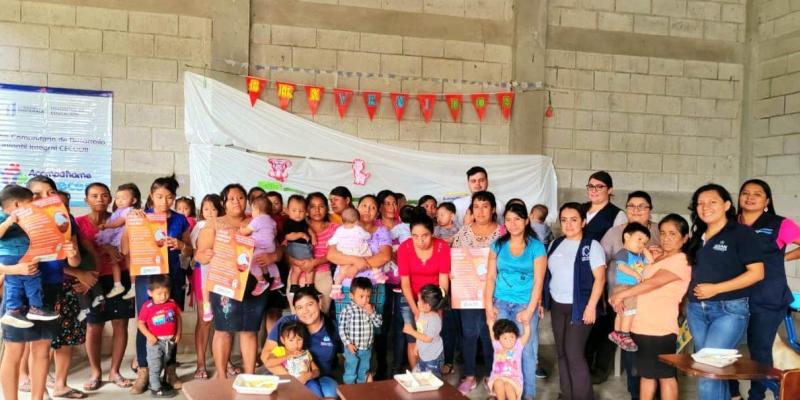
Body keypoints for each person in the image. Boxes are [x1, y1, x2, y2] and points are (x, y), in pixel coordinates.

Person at [686, 183, 764, 399]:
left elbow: (757, 273)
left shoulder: (741, 233)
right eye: (700, 203)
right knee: (713, 372)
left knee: (707, 372)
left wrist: (716, 289)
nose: (705, 207)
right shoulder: (698, 235)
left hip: (728, 311)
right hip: (696, 311)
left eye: (712, 202)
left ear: (727, 205)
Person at [195, 184, 277, 379]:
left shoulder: (258, 220)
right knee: (223, 330)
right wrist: (205, 254)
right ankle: (222, 378)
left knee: (250, 330)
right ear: (224, 202)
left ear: (247, 201)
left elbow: (277, 248)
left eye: (240, 197)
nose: (236, 202)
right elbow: (199, 254)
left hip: (254, 283)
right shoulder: (213, 224)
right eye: (231, 198)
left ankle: (249, 376)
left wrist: (272, 257)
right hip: (224, 282)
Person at [729, 179, 800, 400]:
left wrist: (782, 257)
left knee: (759, 350)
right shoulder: (730, 223)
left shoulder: (780, 224)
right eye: (745, 193)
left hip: (768, 296)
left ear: (767, 200)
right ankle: (733, 394)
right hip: (734, 295)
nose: (750, 197)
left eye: (757, 194)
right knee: (725, 347)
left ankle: (756, 395)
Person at [609, 214, 692, 400]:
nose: (666, 238)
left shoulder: (681, 260)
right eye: (662, 233)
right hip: (641, 325)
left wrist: (621, 294)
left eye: (672, 233)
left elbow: (652, 283)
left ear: (684, 238)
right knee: (646, 374)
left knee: (666, 376)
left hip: (659, 328)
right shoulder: (659, 258)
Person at [122, 175, 192, 393]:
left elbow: (191, 252)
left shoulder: (180, 220)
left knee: (171, 320)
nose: (164, 201)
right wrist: (130, 223)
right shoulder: (140, 217)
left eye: (169, 197)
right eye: (160, 196)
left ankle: (170, 370)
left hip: (173, 278)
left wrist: (180, 244)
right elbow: (124, 250)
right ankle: (144, 371)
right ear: (151, 195)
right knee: (146, 322)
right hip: (147, 279)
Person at [599, 190, 660, 396]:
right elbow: (603, 266)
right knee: (631, 348)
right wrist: (611, 294)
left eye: (642, 206)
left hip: (654, 302)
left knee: (654, 351)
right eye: (631, 206)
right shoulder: (614, 233)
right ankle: (636, 393)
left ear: (650, 210)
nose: (636, 210)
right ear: (626, 209)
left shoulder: (660, 232)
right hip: (623, 297)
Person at [544, 202, 607, 400]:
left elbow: (600, 278)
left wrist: (590, 307)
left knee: (574, 354)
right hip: (557, 304)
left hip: (579, 306)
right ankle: (567, 394)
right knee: (561, 352)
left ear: (583, 222)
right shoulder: (555, 243)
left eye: (574, 220)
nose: (568, 224)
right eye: (564, 220)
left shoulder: (592, 246)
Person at [76, 182, 134, 395]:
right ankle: (95, 372)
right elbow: (76, 252)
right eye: (94, 196)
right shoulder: (78, 223)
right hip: (92, 281)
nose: (100, 199)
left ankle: (115, 372)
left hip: (119, 278)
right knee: (94, 326)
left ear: (110, 199)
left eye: (104, 195)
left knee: (121, 324)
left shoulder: (119, 219)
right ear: (86, 200)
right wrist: (104, 249)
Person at [484, 203, 547, 399]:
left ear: (526, 220)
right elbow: (491, 277)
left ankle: (527, 395)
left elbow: (538, 281)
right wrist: (488, 306)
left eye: (517, 219)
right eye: (509, 219)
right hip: (500, 302)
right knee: (501, 348)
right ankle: (501, 390)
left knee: (526, 351)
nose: (513, 224)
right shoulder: (498, 244)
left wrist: (530, 310)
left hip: (524, 305)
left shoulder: (537, 247)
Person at [327, 194, 392, 379]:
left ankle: (369, 375)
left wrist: (355, 266)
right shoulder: (343, 228)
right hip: (347, 287)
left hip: (373, 286)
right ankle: (350, 375)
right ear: (357, 208)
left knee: (372, 328)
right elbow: (332, 255)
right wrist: (356, 260)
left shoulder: (381, 231)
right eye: (364, 205)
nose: (368, 210)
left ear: (377, 211)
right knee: (348, 328)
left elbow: (384, 256)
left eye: (372, 207)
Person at [451, 190, 505, 395]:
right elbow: (455, 259)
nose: (480, 211)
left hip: (496, 294)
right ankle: (470, 374)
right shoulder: (464, 232)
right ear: (471, 210)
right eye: (476, 206)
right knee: (469, 334)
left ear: (492, 209)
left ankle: (493, 375)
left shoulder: (502, 233)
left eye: (485, 206)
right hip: (468, 295)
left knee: (490, 333)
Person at [582, 171, 626, 385]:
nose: (594, 190)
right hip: (582, 276)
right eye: (591, 186)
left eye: (599, 186)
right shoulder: (580, 210)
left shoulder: (617, 215)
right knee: (585, 322)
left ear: (610, 190)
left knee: (605, 322)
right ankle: (584, 364)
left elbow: (621, 248)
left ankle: (601, 367)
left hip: (606, 274)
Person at [261, 287, 340, 398]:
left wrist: (308, 376)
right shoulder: (287, 324)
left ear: (319, 303)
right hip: (284, 374)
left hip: (318, 377)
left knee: (329, 393)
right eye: (299, 307)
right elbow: (266, 357)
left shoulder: (332, 327)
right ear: (295, 310)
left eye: (310, 304)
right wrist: (293, 379)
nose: (305, 311)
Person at [397, 210, 451, 370]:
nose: (420, 241)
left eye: (425, 235)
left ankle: (432, 370)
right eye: (415, 236)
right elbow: (405, 283)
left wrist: (435, 306)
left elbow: (443, 281)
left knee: (431, 336)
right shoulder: (404, 248)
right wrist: (416, 309)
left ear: (432, 233)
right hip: (410, 298)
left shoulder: (442, 247)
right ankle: (417, 375)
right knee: (413, 339)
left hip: (433, 300)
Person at [0, 185, 59, 326]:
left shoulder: (27, 218)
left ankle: (17, 310)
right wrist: (8, 222)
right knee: (28, 279)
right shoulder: (4, 217)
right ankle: (31, 308)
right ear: (16, 204)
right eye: (30, 203)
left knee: (21, 281)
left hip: (24, 254)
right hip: (12, 255)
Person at [190, 193, 223, 380]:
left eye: (213, 208)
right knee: (204, 320)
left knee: (224, 321)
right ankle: (201, 363)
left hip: (223, 275)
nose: (209, 212)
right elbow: (194, 249)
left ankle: (223, 361)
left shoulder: (226, 226)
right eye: (206, 208)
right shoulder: (200, 226)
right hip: (203, 274)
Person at [288, 192, 338, 314]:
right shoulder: (296, 224)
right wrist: (297, 262)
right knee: (299, 317)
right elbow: (285, 250)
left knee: (321, 315)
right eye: (312, 206)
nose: (317, 210)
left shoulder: (335, 228)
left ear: (327, 209)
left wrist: (315, 262)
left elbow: (336, 254)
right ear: (306, 209)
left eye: (321, 206)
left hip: (323, 276)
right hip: (297, 275)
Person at [608, 223, 654, 353]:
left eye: (645, 242)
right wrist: (636, 274)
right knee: (630, 311)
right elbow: (622, 267)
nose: (642, 244)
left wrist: (644, 249)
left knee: (621, 312)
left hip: (629, 287)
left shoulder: (640, 256)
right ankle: (625, 335)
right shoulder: (623, 252)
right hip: (625, 287)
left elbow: (651, 261)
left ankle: (616, 332)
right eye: (639, 239)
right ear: (627, 236)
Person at [137, 275, 182, 398]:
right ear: (150, 293)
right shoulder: (147, 307)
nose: (163, 297)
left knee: (163, 363)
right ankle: (155, 388)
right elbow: (140, 323)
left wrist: (178, 333)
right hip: (155, 343)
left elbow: (178, 317)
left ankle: (159, 383)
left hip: (169, 342)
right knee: (155, 365)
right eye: (159, 293)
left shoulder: (172, 303)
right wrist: (148, 335)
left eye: (166, 293)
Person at [94, 184, 141, 299]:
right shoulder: (118, 210)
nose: (119, 201)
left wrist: (106, 225)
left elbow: (118, 223)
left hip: (123, 238)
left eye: (123, 198)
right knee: (114, 260)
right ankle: (117, 284)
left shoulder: (130, 210)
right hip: (115, 238)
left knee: (129, 262)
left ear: (134, 200)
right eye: (117, 198)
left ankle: (134, 286)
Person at [338, 277, 382, 384]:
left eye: (368, 296)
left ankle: (360, 391)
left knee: (363, 371)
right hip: (352, 348)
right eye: (361, 296)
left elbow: (378, 323)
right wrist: (348, 344)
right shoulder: (348, 310)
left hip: (366, 348)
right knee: (351, 370)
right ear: (351, 296)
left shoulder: (371, 308)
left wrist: (372, 313)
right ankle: (349, 391)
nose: (365, 300)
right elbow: (342, 328)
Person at [402, 284, 446, 377]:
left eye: (419, 301)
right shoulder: (422, 314)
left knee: (432, 380)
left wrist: (411, 332)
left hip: (434, 358)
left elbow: (428, 339)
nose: (417, 303)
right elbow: (420, 331)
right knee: (420, 377)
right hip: (424, 355)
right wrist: (417, 346)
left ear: (428, 305)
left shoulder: (434, 320)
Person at [328, 208, 373, 301]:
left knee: (341, 272)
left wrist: (328, 243)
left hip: (345, 254)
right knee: (368, 256)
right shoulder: (358, 229)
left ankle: (335, 290)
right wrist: (367, 232)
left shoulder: (339, 230)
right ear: (357, 221)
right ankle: (377, 273)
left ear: (342, 220)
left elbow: (333, 240)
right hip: (357, 253)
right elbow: (367, 236)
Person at [239, 196, 279, 295]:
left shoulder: (257, 220)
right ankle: (277, 279)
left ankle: (261, 281)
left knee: (251, 263)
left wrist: (241, 230)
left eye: (252, 210)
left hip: (261, 246)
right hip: (271, 247)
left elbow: (246, 231)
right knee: (269, 262)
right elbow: (275, 233)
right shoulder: (271, 220)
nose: (252, 213)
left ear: (257, 209)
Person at [487, 318, 531, 400]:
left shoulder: (518, 345)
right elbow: (491, 329)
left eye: (512, 337)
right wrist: (490, 321)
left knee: (508, 386)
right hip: (498, 377)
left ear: (516, 336)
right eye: (505, 338)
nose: (509, 340)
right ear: (498, 338)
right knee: (498, 382)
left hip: (514, 380)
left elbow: (527, 335)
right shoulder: (497, 345)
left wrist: (526, 325)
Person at [285, 194, 317, 294]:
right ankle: (301, 286)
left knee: (303, 268)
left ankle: (302, 286)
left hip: (304, 248)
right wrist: (300, 234)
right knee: (304, 268)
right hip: (295, 248)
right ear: (287, 210)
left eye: (301, 211)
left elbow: (309, 230)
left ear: (306, 212)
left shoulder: (303, 222)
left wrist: (313, 236)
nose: (297, 214)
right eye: (294, 211)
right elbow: (287, 237)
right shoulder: (288, 222)